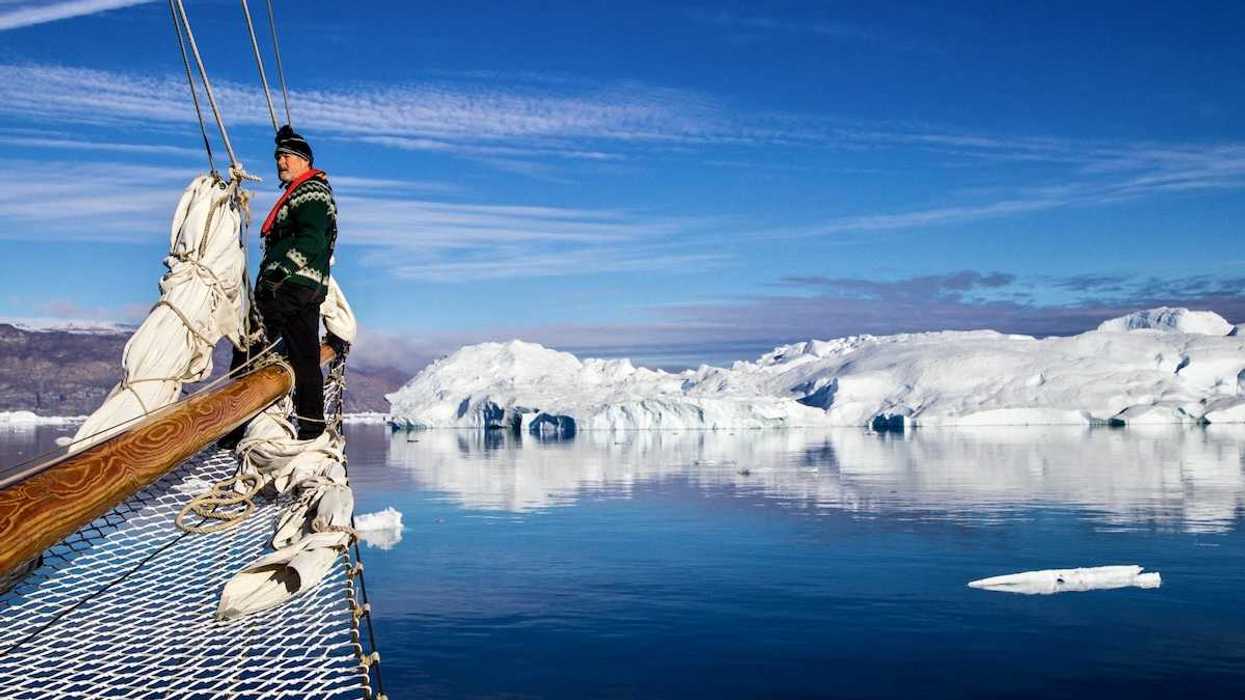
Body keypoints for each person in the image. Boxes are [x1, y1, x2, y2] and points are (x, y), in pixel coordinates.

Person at [230, 124, 339, 442]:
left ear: (305, 160)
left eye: (288, 156)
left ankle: (236, 425)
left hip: (291, 286)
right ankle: (310, 424)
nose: (281, 161)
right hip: (304, 286)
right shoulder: (309, 191)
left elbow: (311, 238)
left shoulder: (311, 194)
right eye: (279, 156)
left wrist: (278, 272)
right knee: (304, 354)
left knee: (249, 347)